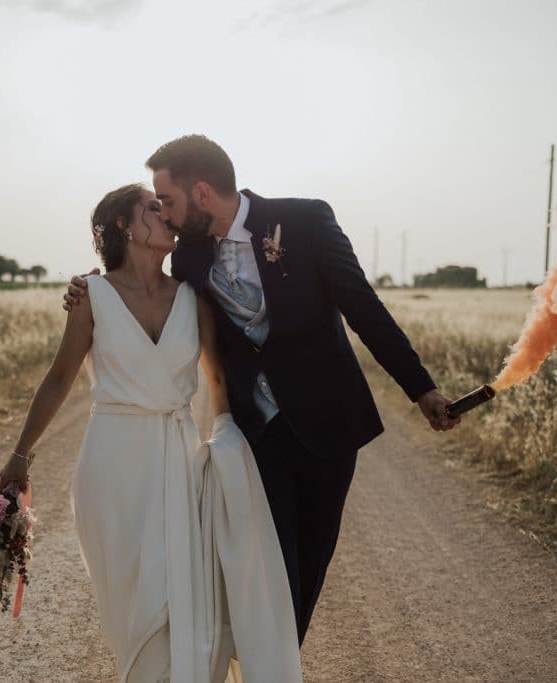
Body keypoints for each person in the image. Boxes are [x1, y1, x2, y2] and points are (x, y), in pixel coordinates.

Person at [63, 135, 460, 646]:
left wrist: (422, 389)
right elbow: (139, 282)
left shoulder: (306, 221)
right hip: (258, 435)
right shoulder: (188, 258)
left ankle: (280, 661)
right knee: (273, 574)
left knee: (309, 570)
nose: (165, 213)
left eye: (169, 201)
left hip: (329, 427)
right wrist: (88, 285)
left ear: (202, 192)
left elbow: (364, 308)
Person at [0, 183, 303, 682]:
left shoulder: (193, 298)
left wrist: (228, 447)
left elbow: (218, 380)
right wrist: (20, 454)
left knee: (181, 601)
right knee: (134, 616)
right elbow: (58, 378)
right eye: (152, 209)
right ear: (124, 225)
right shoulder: (90, 295)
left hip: (180, 462)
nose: (165, 216)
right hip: (111, 468)